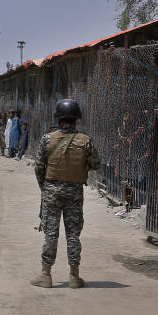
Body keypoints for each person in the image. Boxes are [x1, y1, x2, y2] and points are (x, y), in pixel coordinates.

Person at [31, 99, 102, 289]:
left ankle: (46, 275)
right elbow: (96, 164)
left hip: (51, 192)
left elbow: (39, 168)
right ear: (76, 119)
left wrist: (45, 188)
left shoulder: (47, 139)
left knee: (50, 235)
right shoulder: (85, 140)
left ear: (59, 118)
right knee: (73, 235)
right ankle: (74, 277)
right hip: (74, 193)